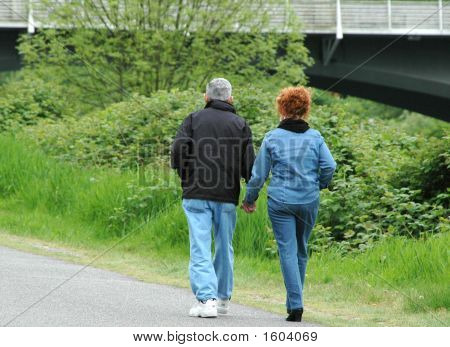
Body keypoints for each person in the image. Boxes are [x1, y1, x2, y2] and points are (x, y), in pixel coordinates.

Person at [242, 86, 336, 322]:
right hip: (308, 200)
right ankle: (295, 302)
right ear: (305, 110)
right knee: (302, 250)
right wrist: (320, 184)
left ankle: (295, 305)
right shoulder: (315, 137)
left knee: (287, 250)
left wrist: (249, 199)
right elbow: (330, 166)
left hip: (281, 202)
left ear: (282, 108)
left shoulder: (273, 137)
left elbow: (258, 175)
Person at [171, 78, 255, 318]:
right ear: (230, 99)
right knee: (224, 246)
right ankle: (222, 299)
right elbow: (249, 164)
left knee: (200, 247)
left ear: (206, 98)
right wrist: (251, 193)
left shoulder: (193, 120)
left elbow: (178, 149)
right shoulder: (240, 124)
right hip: (227, 195)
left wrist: (184, 174)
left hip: (196, 192)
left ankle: (206, 299)